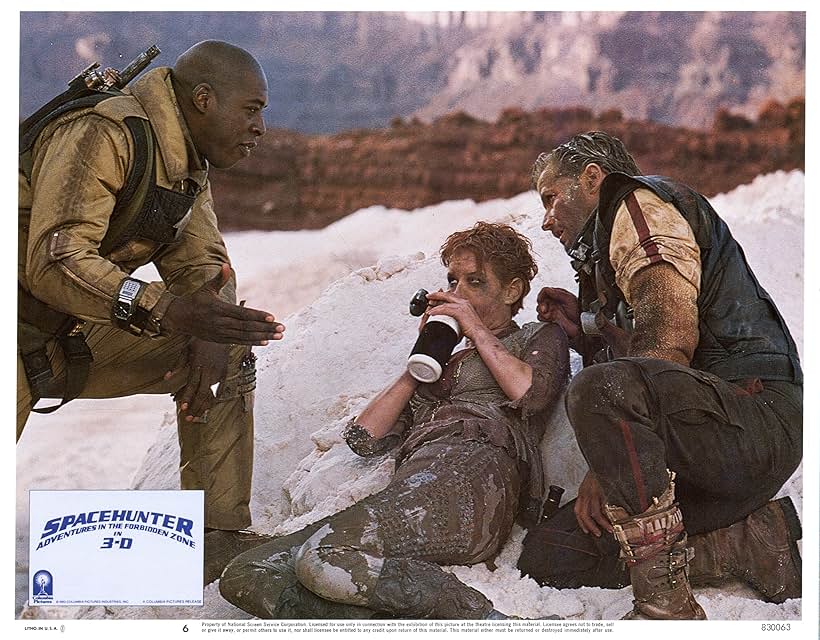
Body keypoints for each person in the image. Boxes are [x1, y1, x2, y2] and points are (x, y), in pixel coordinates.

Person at [17, 40, 286, 580]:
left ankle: (216, 543)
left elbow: (204, 264)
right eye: (251, 109)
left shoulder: (186, 163)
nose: (260, 127)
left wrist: (210, 327)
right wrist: (165, 308)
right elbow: (55, 259)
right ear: (204, 99)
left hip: (66, 329)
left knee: (225, 352)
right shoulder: (105, 132)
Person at [218, 222, 570, 619]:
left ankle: (474, 615)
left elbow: (532, 394)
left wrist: (472, 326)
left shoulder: (537, 337)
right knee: (248, 574)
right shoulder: (442, 363)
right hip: (417, 485)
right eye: (453, 281)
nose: (457, 293)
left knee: (326, 555)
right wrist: (422, 361)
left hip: (477, 478)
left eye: (475, 282)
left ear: (512, 290)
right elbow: (363, 437)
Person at [518, 131, 802, 619]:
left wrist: (603, 470)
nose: (545, 220)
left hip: (754, 418)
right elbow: (648, 358)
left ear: (592, 179)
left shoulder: (635, 204)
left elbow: (667, 332)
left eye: (550, 198)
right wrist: (586, 327)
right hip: (700, 446)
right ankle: (751, 542)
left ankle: (667, 608)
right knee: (553, 553)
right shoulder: (606, 249)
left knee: (600, 389)